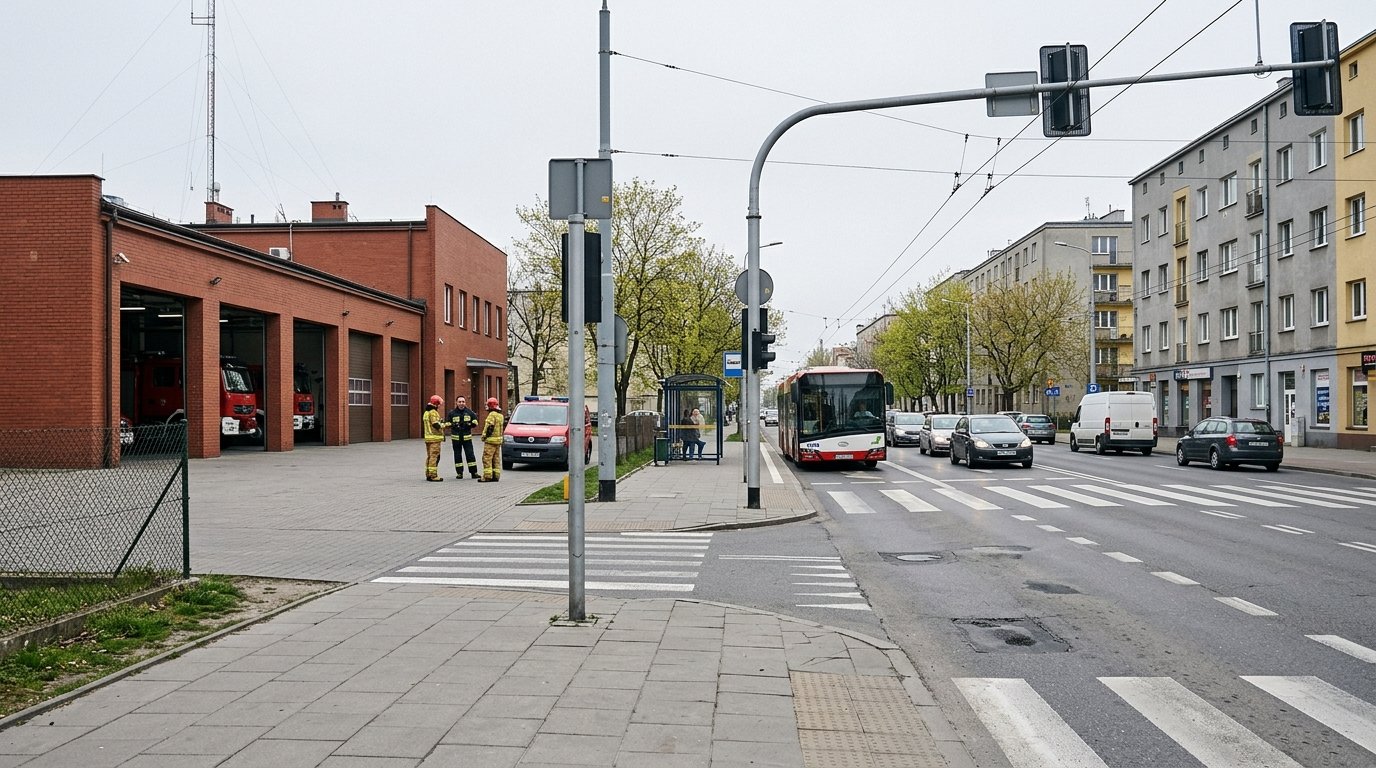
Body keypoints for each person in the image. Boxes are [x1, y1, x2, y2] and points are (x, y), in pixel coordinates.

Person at [446, 396, 480, 479]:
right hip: (456, 439)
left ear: (465, 402)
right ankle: (459, 473)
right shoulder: (452, 413)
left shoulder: (470, 412)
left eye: (463, 402)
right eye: (460, 402)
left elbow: (475, 421)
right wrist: (452, 425)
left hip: (467, 439)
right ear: (456, 403)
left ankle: (474, 473)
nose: (461, 403)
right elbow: (447, 423)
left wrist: (471, 424)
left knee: (470, 455)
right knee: (457, 455)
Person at [477, 397, 504, 482]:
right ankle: (496, 476)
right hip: (498, 441)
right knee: (496, 458)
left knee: (487, 458)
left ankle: (487, 476)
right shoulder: (500, 416)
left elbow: (488, 427)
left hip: (490, 441)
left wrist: (484, 436)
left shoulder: (491, 415)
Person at [422, 394, 447, 482]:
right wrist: (446, 425)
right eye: (439, 404)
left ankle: (428, 474)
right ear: (436, 404)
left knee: (430, 457)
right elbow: (436, 425)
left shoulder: (426, 412)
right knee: (435, 457)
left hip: (428, 438)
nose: (439, 406)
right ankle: (433, 475)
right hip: (434, 439)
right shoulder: (433, 412)